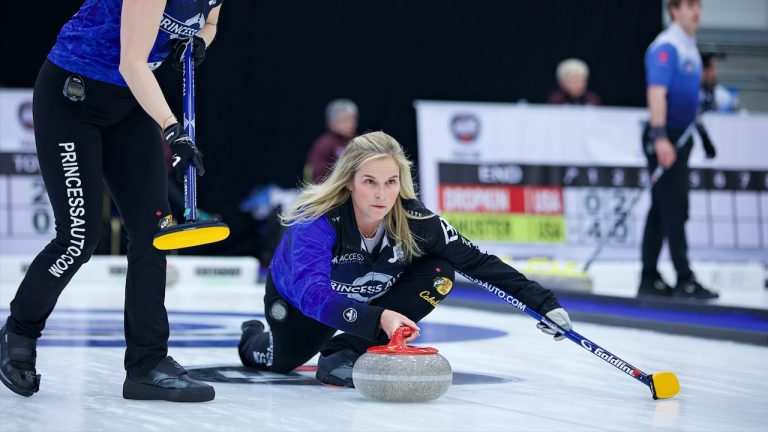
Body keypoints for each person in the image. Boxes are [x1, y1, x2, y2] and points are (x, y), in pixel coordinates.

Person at [0, 0, 222, 402]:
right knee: (79, 237)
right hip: (73, 96)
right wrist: (173, 130)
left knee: (155, 233)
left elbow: (208, 21)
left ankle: (146, 364)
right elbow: (131, 62)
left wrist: (199, 42)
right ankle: (20, 330)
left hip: (131, 105)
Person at [237, 131, 573, 387]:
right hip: (299, 305)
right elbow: (313, 296)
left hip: (362, 303)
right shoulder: (316, 221)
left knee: (440, 271)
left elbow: (477, 262)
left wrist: (544, 304)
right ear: (350, 182)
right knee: (278, 361)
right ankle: (253, 336)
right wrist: (378, 318)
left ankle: (345, 351)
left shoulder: (416, 220)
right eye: (370, 182)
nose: (382, 194)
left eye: (390, 182)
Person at [638, 0, 718, 300]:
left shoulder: (690, 47)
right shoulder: (667, 46)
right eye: (688, 5)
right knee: (675, 208)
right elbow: (657, 93)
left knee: (661, 209)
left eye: (698, 5)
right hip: (666, 137)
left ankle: (649, 277)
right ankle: (684, 278)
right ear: (674, 11)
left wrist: (704, 136)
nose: (695, 11)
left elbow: (690, 99)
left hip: (682, 137)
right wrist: (660, 137)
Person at [304, 99, 359, 183]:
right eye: (343, 120)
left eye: (352, 119)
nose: (350, 124)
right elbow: (317, 175)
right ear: (331, 122)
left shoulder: (357, 141)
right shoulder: (324, 144)